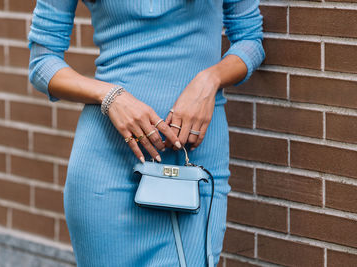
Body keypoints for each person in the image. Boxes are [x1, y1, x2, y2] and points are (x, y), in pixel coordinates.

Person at [27, 0, 265, 266]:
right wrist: (110, 96)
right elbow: (42, 63)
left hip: (192, 164)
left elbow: (250, 40)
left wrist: (210, 80)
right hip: (106, 167)